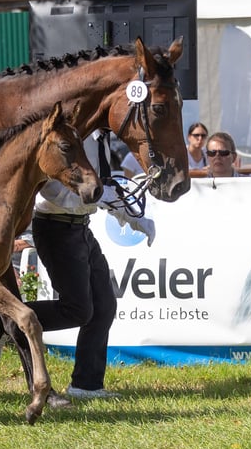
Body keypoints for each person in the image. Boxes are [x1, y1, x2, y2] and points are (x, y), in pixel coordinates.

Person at [24, 129, 155, 402]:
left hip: (81, 228)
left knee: (104, 305)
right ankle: (9, 320)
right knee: (77, 310)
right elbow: (50, 191)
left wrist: (132, 217)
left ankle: (86, 384)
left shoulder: (99, 139)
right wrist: (96, 196)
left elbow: (104, 188)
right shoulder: (69, 139)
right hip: (55, 228)